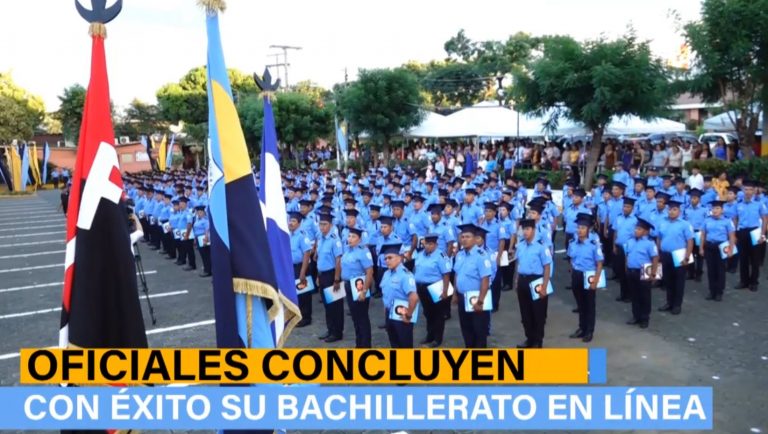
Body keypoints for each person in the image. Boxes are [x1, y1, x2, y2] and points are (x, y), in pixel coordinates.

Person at [453, 224, 493, 348]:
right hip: (462, 297)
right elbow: (457, 275)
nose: (464, 239)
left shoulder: (481, 256)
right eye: (462, 237)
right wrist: (455, 294)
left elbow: (485, 279)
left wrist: (480, 301)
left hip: (476, 298)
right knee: (466, 329)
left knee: (479, 331)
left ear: (475, 239)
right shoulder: (459, 255)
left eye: (468, 237)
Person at [515, 218, 552, 348]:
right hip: (523, 280)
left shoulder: (541, 246)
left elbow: (547, 267)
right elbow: (519, 263)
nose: (525, 232)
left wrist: (544, 287)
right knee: (525, 313)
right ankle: (529, 338)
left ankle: (538, 340)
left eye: (527, 229)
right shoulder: (520, 245)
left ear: (534, 230)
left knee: (538, 313)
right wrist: (517, 280)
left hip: (537, 280)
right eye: (523, 229)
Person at [567, 213, 604, 342]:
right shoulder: (573, 242)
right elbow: (570, 258)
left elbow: (599, 264)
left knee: (589, 305)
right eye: (578, 228)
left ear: (588, 229)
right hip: (577, 274)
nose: (580, 230)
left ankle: (589, 331)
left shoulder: (594, 244)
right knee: (580, 304)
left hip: (589, 275)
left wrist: (595, 280)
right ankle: (582, 328)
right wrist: (572, 271)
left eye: (583, 228)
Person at [414, 234, 452, 347]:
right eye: (426, 244)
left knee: (438, 314)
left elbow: (446, 274)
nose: (428, 246)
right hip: (422, 287)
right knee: (427, 313)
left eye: (431, 244)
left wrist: (445, 291)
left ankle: (437, 339)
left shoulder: (441, 256)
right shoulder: (420, 255)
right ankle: (429, 335)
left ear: (436, 244)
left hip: (436, 286)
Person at [657, 200, 694, 315]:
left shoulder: (685, 224)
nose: (671, 212)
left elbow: (690, 241)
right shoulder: (662, 222)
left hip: (679, 256)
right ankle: (669, 302)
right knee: (668, 280)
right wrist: (658, 253)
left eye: (674, 209)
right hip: (665, 255)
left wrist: (687, 257)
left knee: (679, 281)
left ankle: (677, 305)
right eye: (670, 209)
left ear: (679, 211)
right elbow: (659, 238)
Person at [379, 243, 419, 348]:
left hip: (402, 315)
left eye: (390, 258)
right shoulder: (386, 274)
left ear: (399, 258)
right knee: (394, 343)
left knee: (404, 345)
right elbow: (385, 294)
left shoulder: (405, 275)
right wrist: (385, 311)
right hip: (389, 314)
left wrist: (408, 315)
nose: (387, 261)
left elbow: (414, 297)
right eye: (385, 258)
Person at [340, 227, 374, 348]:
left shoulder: (363, 251)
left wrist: (364, 291)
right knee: (355, 317)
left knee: (362, 317)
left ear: (359, 239)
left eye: (353, 237)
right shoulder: (347, 250)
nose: (350, 239)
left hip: (359, 285)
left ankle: (365, 345)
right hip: (348, 285)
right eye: (349, 236)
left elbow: (369, 272)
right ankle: (359, 343)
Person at [625, 218, 660, 329]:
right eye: (636, 228)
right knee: (634, 295)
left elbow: (655, 258)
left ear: (646, 232)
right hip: (632, 271)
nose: (636, 231)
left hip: (644, 270)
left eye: (639, 229)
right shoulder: (630, 241)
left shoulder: (650, 243)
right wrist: (626, 267)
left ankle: (645, 318)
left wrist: (654, 274)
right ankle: (636, 316)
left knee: (645, 296)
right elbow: (627, 255)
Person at [734, 180, 768, 292]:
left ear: (754, 191)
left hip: (755, 231)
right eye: (746, 189)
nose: (748, 192)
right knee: (743, 258)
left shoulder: (759, 204)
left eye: (750, 190)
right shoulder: (738, 204)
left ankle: (754, 282)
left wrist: (762, 234)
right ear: (743, 190)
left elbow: (764, 219)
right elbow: (735, 219)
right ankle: (744, 281)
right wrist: (734, 234)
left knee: (755, 259)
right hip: (742, 232)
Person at [700, 201, 736, 301]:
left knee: (720, 270)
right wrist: (701, 248)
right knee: (711, 270)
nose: (715, 210)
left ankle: (719, 292)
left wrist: (731, 249)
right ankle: (712, 291)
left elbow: (731, 236)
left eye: (717, 208)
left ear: (722, 210)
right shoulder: (707, 220)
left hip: (722, 247)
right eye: (713, 208)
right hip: (709, 246)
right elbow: (703, 235)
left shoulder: (727, 221)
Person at [316, 213, 344, 342]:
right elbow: (320, 259)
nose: (322, 227)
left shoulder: (335, 240)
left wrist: (337, 279)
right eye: (320, 224)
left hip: (332, 275)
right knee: (327, 306)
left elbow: (338, 260)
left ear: (331, 225)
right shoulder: (320, 238)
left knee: (335, 306)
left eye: (325, 224)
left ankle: (337, 333)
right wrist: (318, 276)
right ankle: (330, 329)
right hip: (323, 275)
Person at [289, 212, 313, 327]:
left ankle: (306, 318)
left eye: (293, 221)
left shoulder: (302, 235)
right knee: (295, 293)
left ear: (299, 223)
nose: (290, 223)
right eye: (290, 220)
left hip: (302, 267)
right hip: (292, 267)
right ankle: (297, 315)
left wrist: (303, 272)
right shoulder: (290, 234)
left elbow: (307, 253)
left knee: (303, 294)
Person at [612, 197, 637, 303]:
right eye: (624, 206)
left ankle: (630, 295)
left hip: (629, 248)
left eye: (628, 207)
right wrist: (614, 245)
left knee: (629, 272)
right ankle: (623, 294)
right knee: (621, 271)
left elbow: (636, 236)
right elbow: (615, 232)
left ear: (632, 208)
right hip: (619, 247)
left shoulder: (635, 220)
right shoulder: (619, 218)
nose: (625, 208)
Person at [192, 205, 211, 277]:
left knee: (206, 255)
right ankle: (206, 268)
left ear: (203, 213)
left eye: (200, 212)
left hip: (203, 238)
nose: (199, 214)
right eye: (198, 212)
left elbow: (207, 230)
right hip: (198, 238)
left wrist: (206, 238)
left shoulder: (205, 221)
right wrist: (195, 238)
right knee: (202, 255)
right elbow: (195, 230)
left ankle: (208, 270)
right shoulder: (197, 220)